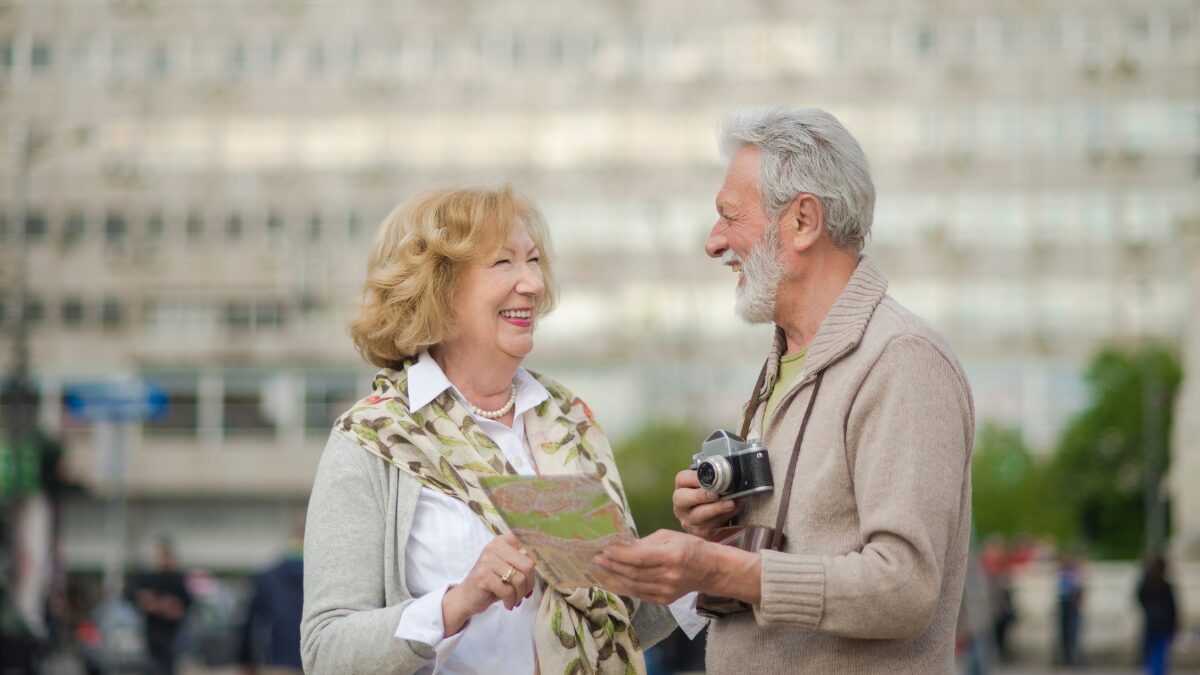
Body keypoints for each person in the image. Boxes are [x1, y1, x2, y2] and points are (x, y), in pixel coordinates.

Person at [594, 107, 975, 674]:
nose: (713, 242)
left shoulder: (904, 359)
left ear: (802, 221)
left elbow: (904, 586)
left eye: (729, 216)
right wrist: (713, 532)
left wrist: (718, 568)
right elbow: (796, 548)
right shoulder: (784, 362)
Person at [300, 187, 685, 675]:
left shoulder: (565, 422)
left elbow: (612, 624)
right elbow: (326, 651)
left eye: (533, 259)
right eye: (503, 262)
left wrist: (701, 554)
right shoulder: (372, 438)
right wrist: (458, 602)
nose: (532, 284)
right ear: (436, 288)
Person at [237, 517, 305, 675]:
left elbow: (249, 623)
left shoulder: (268, 576)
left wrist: (246, 661)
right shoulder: (331, 578)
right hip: (322, 663)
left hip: (279, 661)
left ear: (291, 537)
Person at [130, 537, 192, 675]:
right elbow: (142, 601)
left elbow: (181, 607)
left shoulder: (178, 580)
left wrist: (164, 606)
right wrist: (161, 605)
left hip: (172, 635)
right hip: (152, 633)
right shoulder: (147, 578)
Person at [1137, 554, 1177, 675]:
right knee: (1160, 653)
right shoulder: (1165, 586)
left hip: (1151, 621)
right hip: (1164, 624)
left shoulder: (1147, 583)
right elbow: (1172, 608)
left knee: (1150, 652)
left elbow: (1139, 597)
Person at [1056, 551, 1084, 667]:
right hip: (1064, 604)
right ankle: (1066, 659)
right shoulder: (1063, 573)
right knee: (1064, 635)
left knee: (1072, 634)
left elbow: (1079, 589)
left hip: (1071, 606)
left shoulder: (1073, 573)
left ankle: (1073, 659)